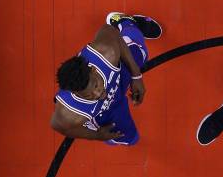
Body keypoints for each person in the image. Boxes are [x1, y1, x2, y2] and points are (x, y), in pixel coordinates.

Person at [51, 12, 162, 145]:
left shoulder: (105, 53)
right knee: (129, 139)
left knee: (140, 51)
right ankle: (111, 135)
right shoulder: (70, 111)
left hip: (116, 74)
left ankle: (125, 22)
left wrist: (136, 75)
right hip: (106, 110)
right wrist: (95, 135)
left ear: (93, 70)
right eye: (89, 95)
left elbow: (110, 31)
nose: (99, 94)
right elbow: (59, 126)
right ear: (75, 93)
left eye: (96, 86)